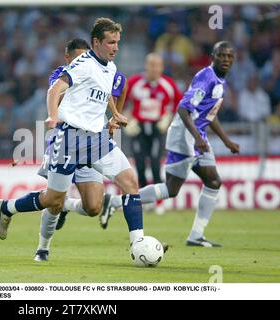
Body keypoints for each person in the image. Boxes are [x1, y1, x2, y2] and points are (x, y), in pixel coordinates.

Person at [0, 18, 146, 262]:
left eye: (118, 42)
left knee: (128, 183)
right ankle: (8, 208)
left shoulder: (111, 67)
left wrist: (114, 114)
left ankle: (138, 244)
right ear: (96, 42)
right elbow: (54, 90)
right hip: (70, 138)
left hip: (96, 139)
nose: (116, 47)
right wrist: (53, 117)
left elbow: (105, 91)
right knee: (52, 200)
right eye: (111, 42)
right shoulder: (82, 64)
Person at [138, 41, 240, 247]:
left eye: (229, 56)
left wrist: (226, 140)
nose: (226, 60)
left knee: (213, 181)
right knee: (171, 190)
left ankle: (196, 235)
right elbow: (183, 109)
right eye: (221, 55)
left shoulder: (220, 81)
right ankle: (116, 202)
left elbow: (209, 115)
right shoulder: (206, 77)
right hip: (185, 137)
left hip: (197, 138)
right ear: (213, 56)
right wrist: (198, 138)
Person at [33, 38, 127, 261]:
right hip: (64, 140)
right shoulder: (61, 74)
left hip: (92, 141)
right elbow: (59, 96)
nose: (84, 63)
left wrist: (114, 116)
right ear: (68, 58)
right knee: (53, 201)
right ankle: (42, 248)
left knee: (93, 207)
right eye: (77, 58)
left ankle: (67, 206)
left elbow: (120, 87)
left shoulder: (103, 71)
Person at [124, 53, 182, 215]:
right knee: (140, 165)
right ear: (146, 66)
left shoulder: (168, 85)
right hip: (138, 129)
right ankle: (145, 201)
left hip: (158, 129)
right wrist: (127, 119)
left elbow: (180, 105)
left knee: (156, 165)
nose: (154, 69)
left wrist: (168, 118)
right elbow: (120, 102)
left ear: (162, 67)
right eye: (151, 65)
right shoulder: (135, 82)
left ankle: (160, 202)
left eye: (157, 65)